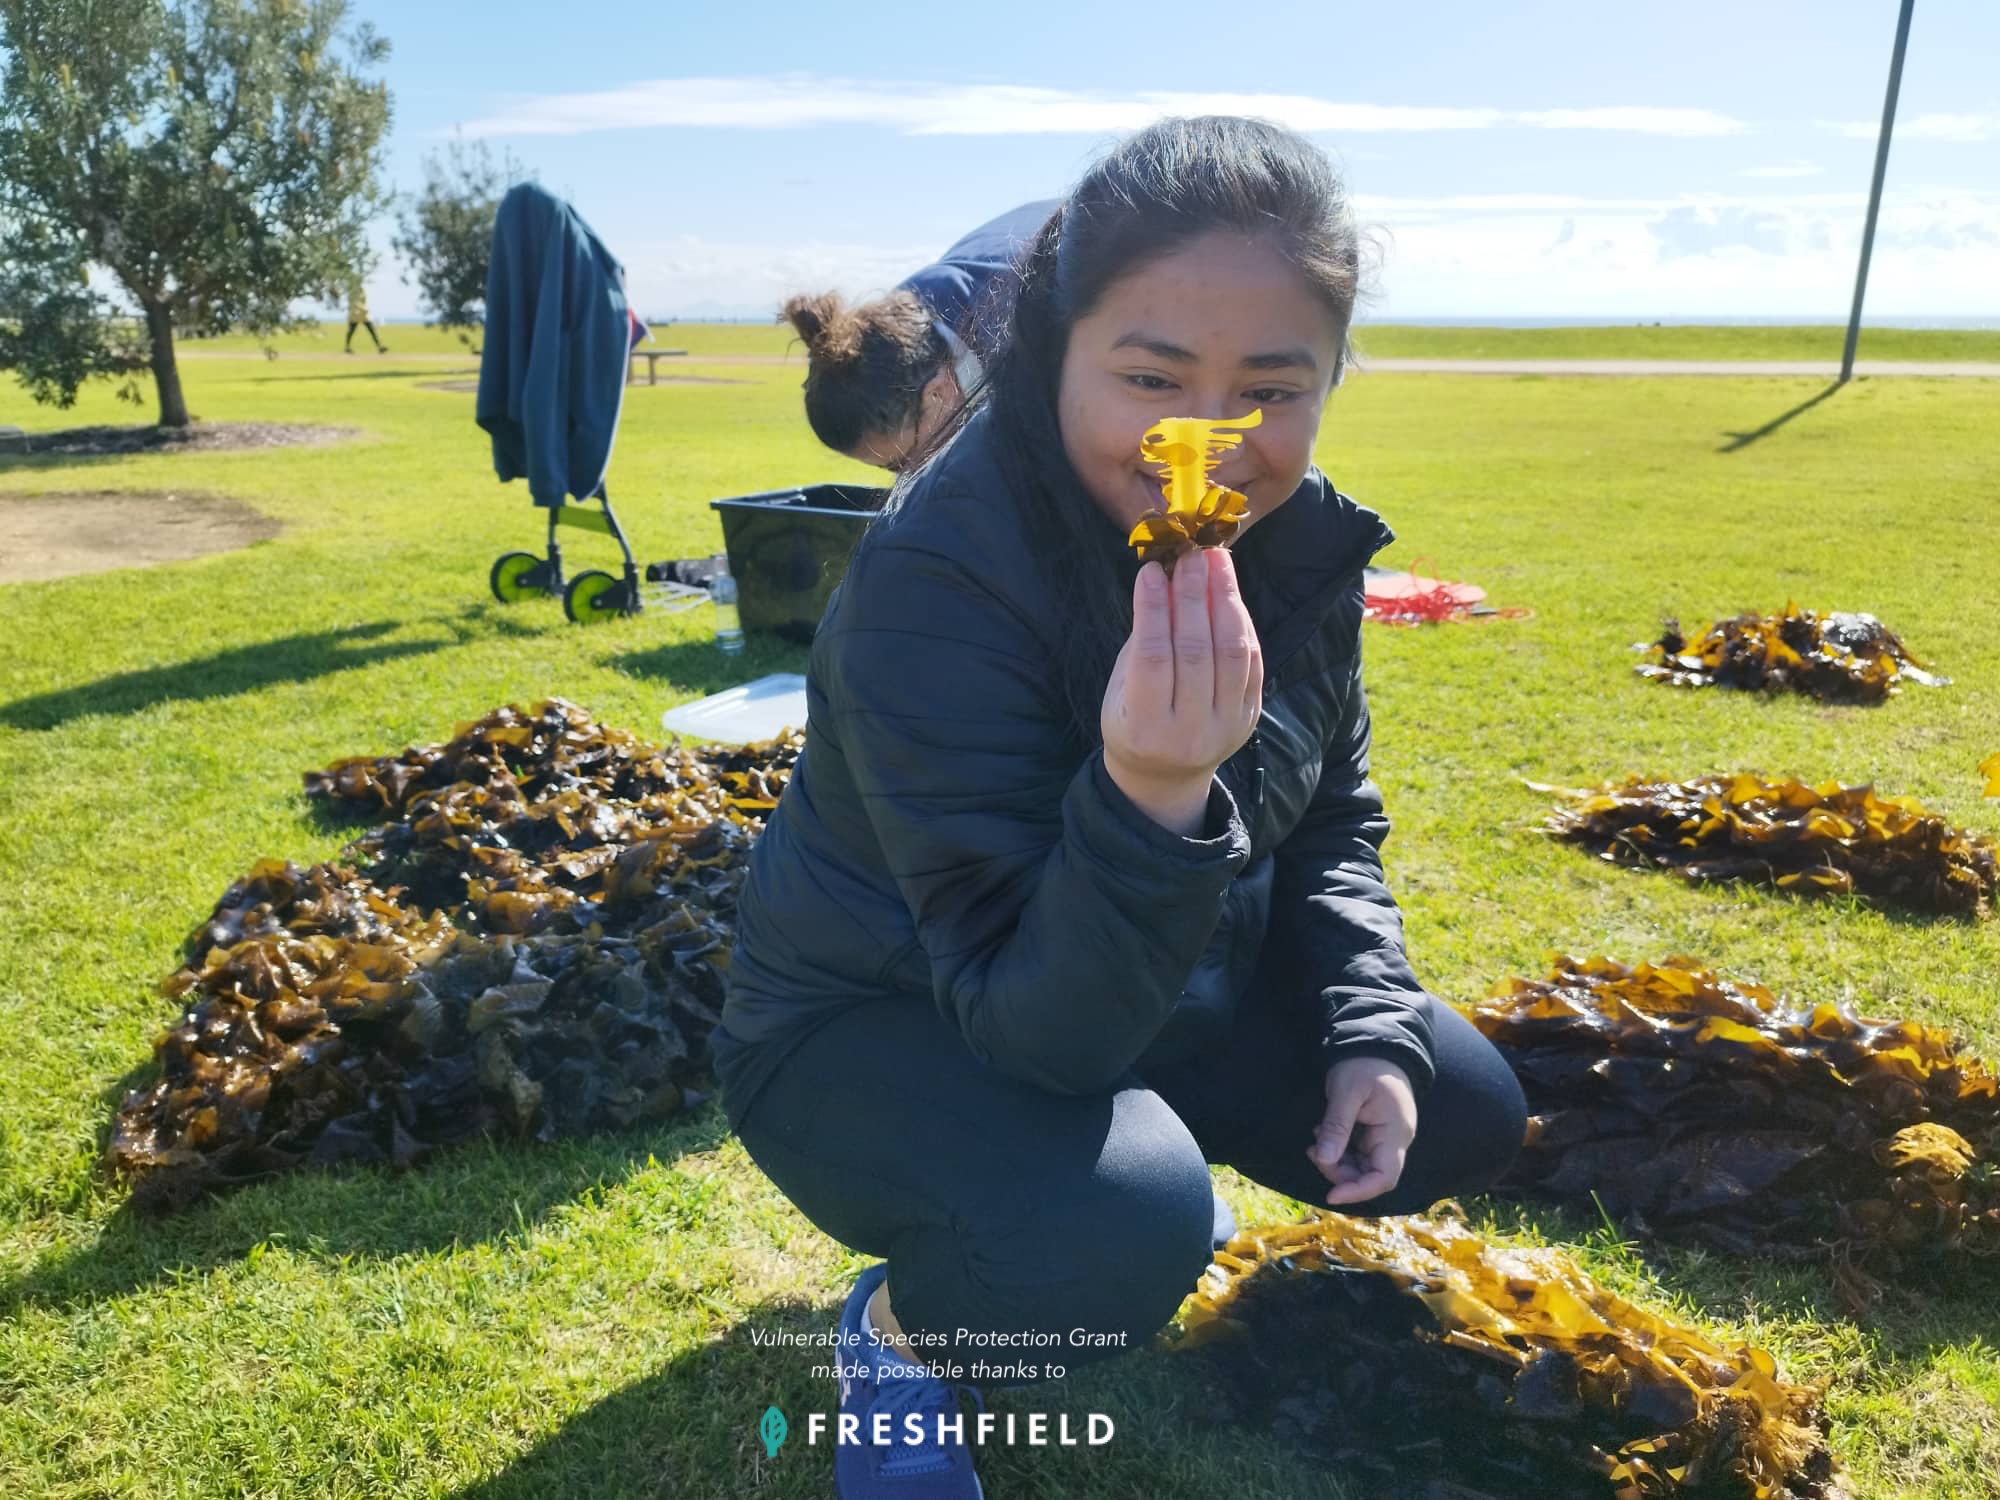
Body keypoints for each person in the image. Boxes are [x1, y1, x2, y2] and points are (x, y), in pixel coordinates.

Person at [712, 116, 1528, 1499]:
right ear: (1050, 357)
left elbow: (1333, 811)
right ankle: (903, 1337)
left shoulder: (1299, 539)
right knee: (1115, 1227)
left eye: (1271, 389)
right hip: (873, 1021)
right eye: (1152, 376)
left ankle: (1104, 1182)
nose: (1206, 440)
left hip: (1146, 976)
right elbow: (1031, 1025)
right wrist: (1153, 787)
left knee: (1457, 1104)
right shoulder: (939, 581)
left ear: (1329, 380)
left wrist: (1369, 1029)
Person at [781, 198, 1057, 472]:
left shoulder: (1033, 325)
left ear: (938, 392)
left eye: (899, 464)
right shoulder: (900, 321)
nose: (907, 476)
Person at [344, 281, 386, 354]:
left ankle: (380, 347)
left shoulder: (362, 290)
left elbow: (363, 301)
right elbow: (353, 303)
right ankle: (347, 347)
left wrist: (364, 309)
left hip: (363, 315)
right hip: (355, 315)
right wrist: (363, 308)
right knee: (351, 332)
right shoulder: (352, 292)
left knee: (372, 330)